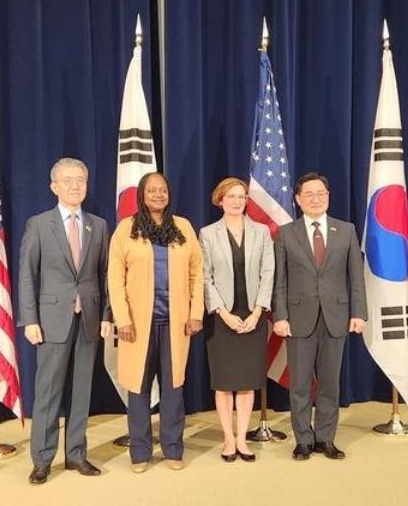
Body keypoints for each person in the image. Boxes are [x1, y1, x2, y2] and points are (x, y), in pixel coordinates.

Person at [18, 157, 111, 484]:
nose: (75, 186)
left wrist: (107, 315)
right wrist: (29, 319)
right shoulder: (39, 224)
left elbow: (105, 274)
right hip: (51, 320)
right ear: (53, 186)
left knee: (81, 391)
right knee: (48, 392)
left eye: (81, 180)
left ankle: (76, 455)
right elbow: (27, 276)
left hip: (89, 318)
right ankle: (42, 459)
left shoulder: (98, 225)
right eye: (68, 180)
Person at [108, 172, 204, 473]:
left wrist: (195, 313)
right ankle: (139, 453)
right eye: (152, 190)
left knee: (174, 388)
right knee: (138, 389)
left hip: (175, 324)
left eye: (163, 189)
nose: (158, 195)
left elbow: (196, 274)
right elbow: (115, 278)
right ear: (142, 195)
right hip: (136, 325)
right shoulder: (127, 230)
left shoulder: (183, 227)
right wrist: (121, 318)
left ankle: (173, 449)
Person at [273, 172, 367, 460]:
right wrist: (280, 316)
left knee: (329, 383)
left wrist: (358, 313)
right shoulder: (286, 233)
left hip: (336, 317)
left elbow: (356, 277)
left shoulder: (346, 230)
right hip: (298, 318)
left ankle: (326, 438)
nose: (316, 199)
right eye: (309, 194)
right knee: (300, 384)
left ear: (328, 196)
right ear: (298, 200)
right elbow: (281, 280)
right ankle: (303, 439)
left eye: (321, 193)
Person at [199, 177, 274, 462]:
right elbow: (205, 278)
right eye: (231, 196)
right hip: (222, 317)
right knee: (224, 382)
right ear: (220, 200)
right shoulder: (207, 234)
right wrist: (222, 313)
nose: (237, 201)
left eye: (242, 196)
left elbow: (268, 273)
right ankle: (227, 439)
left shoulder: (262, 231)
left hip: (253, 315)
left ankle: (242, 439)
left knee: (246, 382)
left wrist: (258, 312)